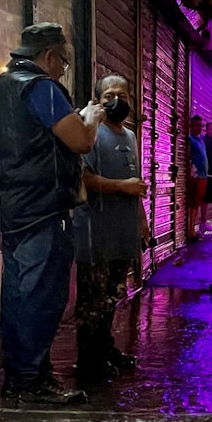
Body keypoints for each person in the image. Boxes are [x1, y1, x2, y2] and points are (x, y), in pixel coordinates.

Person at [0, 22, 105, 405]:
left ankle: (23, 376)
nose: (63, 69)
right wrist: (92, 117)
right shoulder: (41, 88)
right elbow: (80, 141)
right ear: (48, 56)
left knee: (19, 294)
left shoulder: (0, 88)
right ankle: (29, 381)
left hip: (11, 209)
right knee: (41, 298)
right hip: (41, 209)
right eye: (62, 62)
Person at [72, 73, 149, 383]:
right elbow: (83, 179)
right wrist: (122, 187)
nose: (117, 101)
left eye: (123, 95)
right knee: (92, 303)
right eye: (109, 96)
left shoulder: (129, 136)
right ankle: (89, 361)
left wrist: (142, 223)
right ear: (97, 100)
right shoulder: (89, 134)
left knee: (112, 298)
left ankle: (105, 350)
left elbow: (137, 186)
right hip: (96, 235)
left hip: (123, 235)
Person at [186, 115, 208, 239]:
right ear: (191, 126)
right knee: (193, 204)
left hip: (203, 177)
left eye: (200, 126)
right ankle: (191, 231)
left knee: (198, 203)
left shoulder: (200, 140)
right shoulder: (190, 139)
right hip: (196, 176)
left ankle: (194, 228)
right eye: (196, 125)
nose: (198, 128)